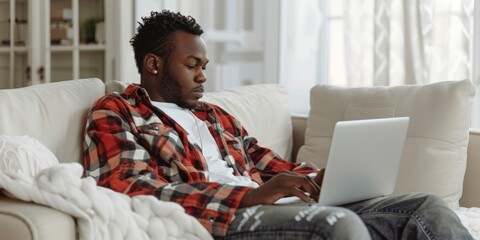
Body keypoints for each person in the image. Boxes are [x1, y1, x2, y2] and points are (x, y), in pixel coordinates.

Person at [83, 10, 473, 239]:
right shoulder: (118, 110)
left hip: (268, 205)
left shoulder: (214, 116)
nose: (203, 77)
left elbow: (267, 164)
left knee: (426, 208)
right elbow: (127, 187)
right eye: (192, 66)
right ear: (154, 64)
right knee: (336, 225)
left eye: (204, 67)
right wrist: (248, 197)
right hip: (223, 217)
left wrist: (323, 178)